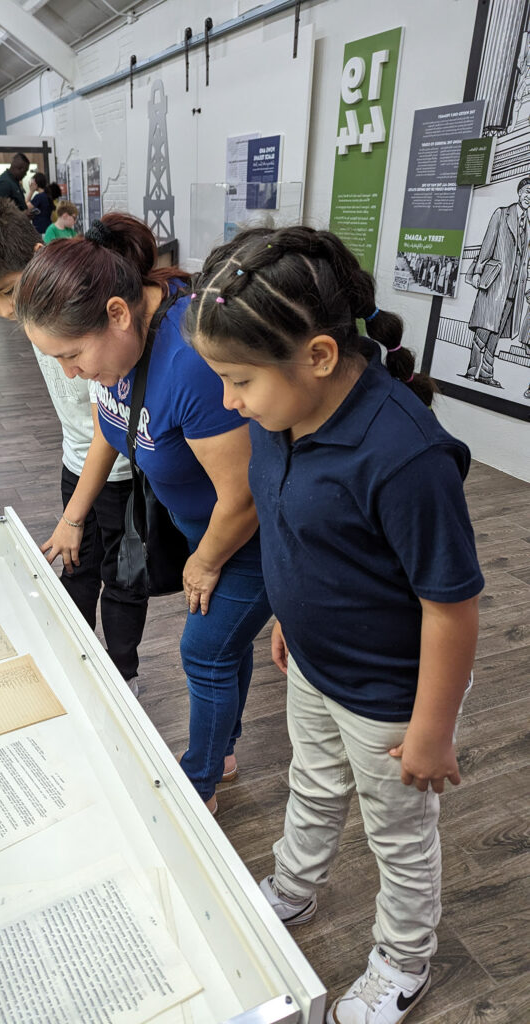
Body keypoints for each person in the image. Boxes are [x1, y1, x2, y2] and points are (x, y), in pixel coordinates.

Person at [184, 225, 484, 1024]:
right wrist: (287, 611)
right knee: (310, 785)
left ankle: (402, 957)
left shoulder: (406, 458)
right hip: (313, 662)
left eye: (239, 379)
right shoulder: (277, 415)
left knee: (397, 833)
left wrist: (430, 730)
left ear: (317, 356)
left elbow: (450, 604)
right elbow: (289, 526)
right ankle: (295, 884)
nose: (227, 401)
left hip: (388, 696)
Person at [14, 214, 272, 814]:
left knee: (204, 650)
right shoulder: (119, 354)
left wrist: (205, 563)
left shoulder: (189, 364)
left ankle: (200, 782)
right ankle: (225, 748)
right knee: (223, 646)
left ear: (118, 314)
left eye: (72, 355)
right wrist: (74, 516)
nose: (70, 373)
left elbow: (246, 495)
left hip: (245, 538)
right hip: (200, 527)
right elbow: (112, 423)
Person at [0, 198, 149, 690]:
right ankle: (77, 666)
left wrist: (72, 515)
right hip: (74, 463)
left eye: (8, 291)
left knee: (124, 583)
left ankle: (123, 677)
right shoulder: (40, 313)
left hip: (120, 473)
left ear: (39, 254)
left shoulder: (77, 309)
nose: (5, 311)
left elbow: (109, 422)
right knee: (75, 570)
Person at [464, 177, 530, 387]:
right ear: (519, 193)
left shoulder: (529, 225)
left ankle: (486, 373)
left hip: (514, 289)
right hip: (495, 283)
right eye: (527, 191)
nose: (529, 197)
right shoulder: (502, 214)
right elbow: (487, 244)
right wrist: (478, 271)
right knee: (484, 328)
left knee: (497, 332)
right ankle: (472, 370)